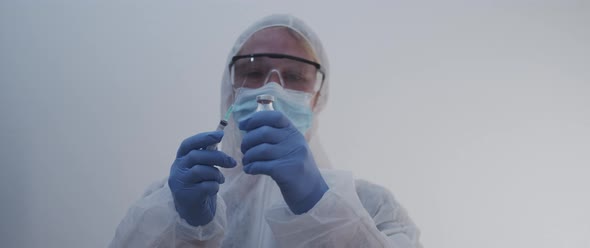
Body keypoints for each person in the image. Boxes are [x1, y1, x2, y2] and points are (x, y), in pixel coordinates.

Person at [110, 14, 422, 248]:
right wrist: (184, 227)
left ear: (318, 96)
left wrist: (323, 210)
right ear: (229, 89)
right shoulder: (168, 202)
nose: (271, 87)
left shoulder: (371, 206)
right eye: (254, 71)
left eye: (296, 75)